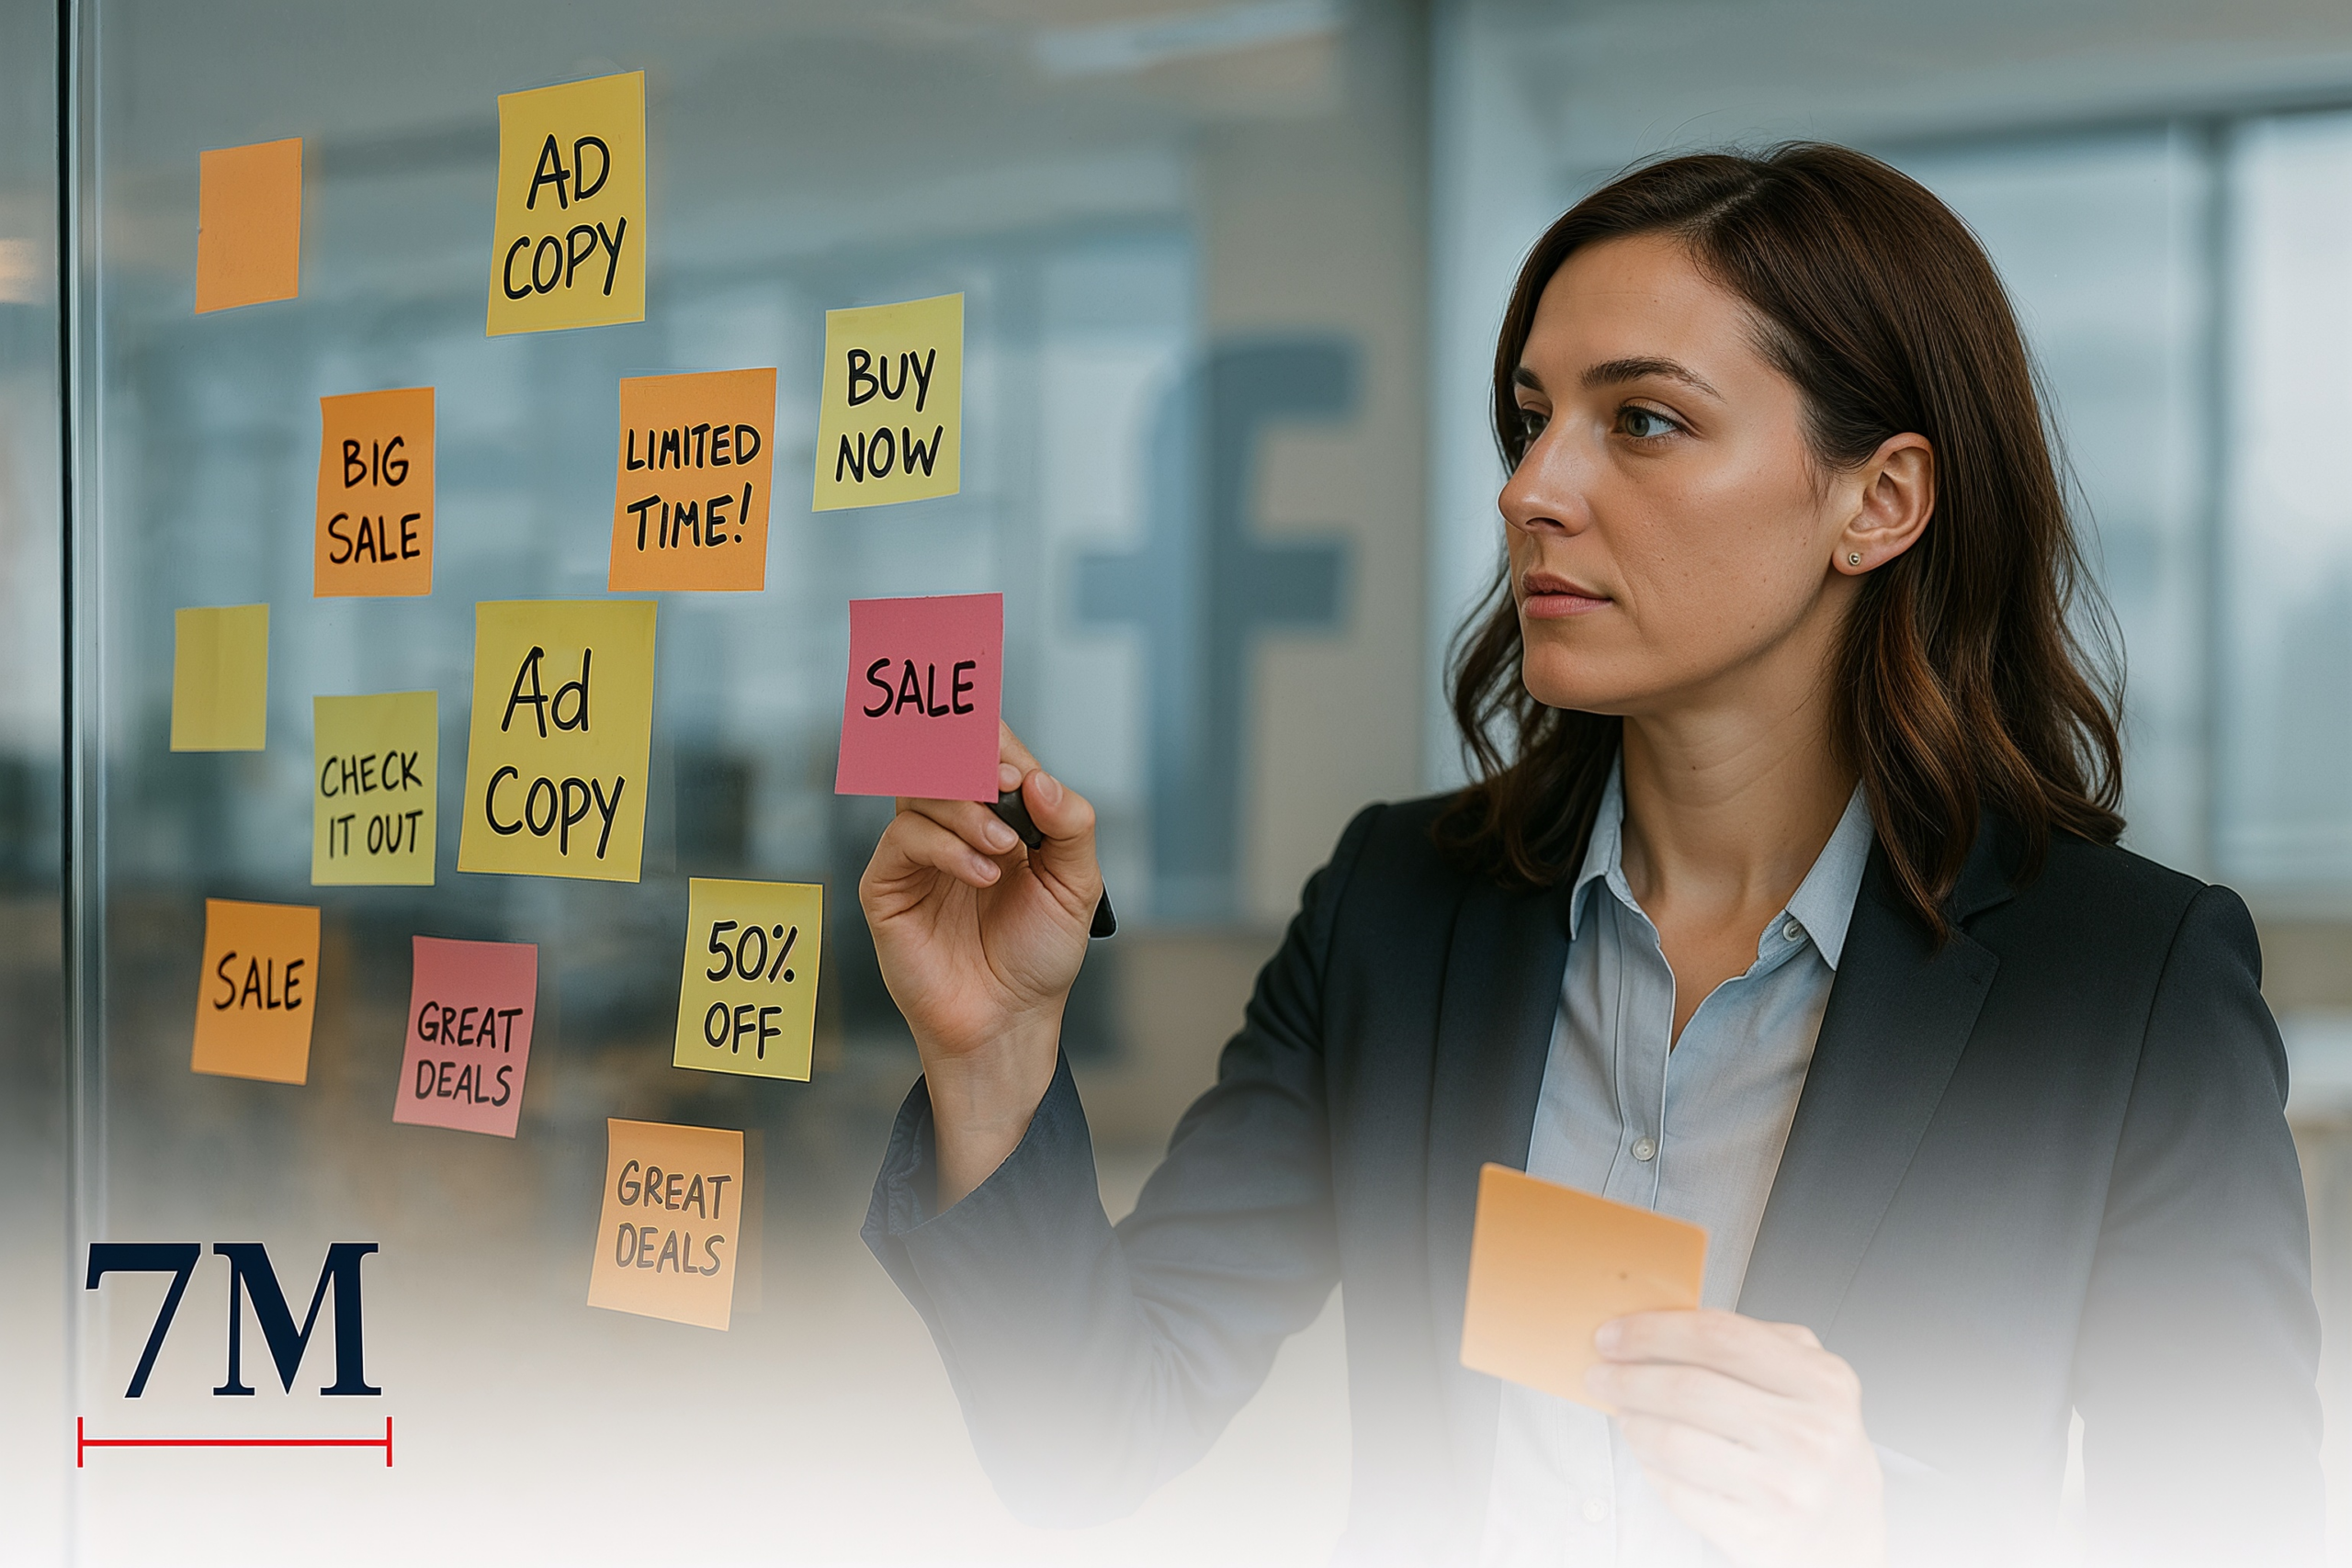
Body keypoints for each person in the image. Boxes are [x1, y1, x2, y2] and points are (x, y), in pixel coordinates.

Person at [856, 143, 2323, 1567]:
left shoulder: (2129, 987)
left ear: (1877, 502)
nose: (1531, 489)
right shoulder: (1398, 907)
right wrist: (992, 1051)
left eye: (1644, 422)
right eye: (1531, 417)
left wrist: (1890, 1530)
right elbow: (1088, 1433)